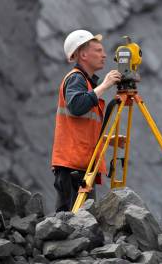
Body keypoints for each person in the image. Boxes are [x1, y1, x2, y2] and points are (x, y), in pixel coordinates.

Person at [51, 29, 122, 212]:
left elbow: (83, 126)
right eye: (98, 50)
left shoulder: (87, 83)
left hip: (81, 166)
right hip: (72, 168)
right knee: (71, 225)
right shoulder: (76, 78)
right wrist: (105, 86)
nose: (104, 55)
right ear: (83, 54)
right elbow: (76, 106)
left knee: (82, 225)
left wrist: (107, 140)